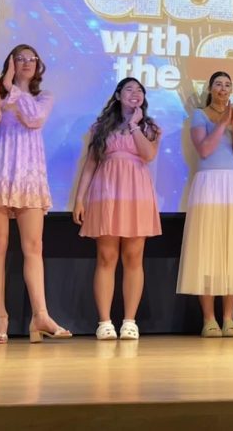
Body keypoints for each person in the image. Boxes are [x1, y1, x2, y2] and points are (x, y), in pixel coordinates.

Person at [0, 45, 70, 343]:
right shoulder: (0, 93)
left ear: (39, 65)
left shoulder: (43, 96)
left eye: (31, 59)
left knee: (33, 246)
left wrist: (9, 87)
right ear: (10, 63)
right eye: (20, 59)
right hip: (1, 170)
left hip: (29, 175)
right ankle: (1, 318)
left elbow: (34, 118)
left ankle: (40, 316)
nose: (26, 63)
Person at [73, 77, 162, 341]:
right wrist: (80, 199)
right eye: (129, 89)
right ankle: (104, 322)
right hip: (106, 193)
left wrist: (135, 126)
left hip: (137, 194)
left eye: (139, 91)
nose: (135, 93)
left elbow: (148, 155)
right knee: (106, 257)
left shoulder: (150, 127)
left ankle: (129, 321)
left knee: (134, 258)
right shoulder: (101, 126)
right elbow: (90, 165)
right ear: (118, 94)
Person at [177, 71, 233, 337]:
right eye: (218, 84)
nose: (223, 89)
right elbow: (204, 150)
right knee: (207, 250)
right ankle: (209, 319)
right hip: (209, 185)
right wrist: (223, 123)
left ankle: (229, 318)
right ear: (210, 89)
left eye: (227, 85)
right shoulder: (200, 116)